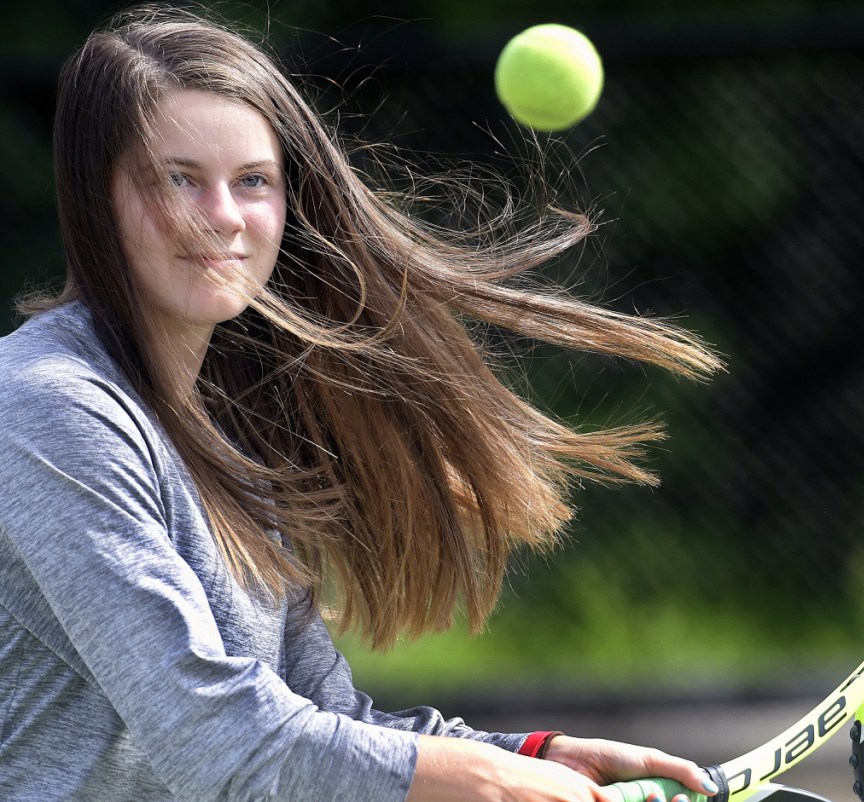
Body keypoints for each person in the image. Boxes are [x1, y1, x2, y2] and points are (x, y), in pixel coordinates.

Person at [0, 4, 724, 801]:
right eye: (177, 180)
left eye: (253, 182)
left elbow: (324, 716)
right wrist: (482, 778)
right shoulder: (47, 408)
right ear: (98, 198)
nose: (224, 217)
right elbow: (222, 747)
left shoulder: (227, 429)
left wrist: (533, 754)